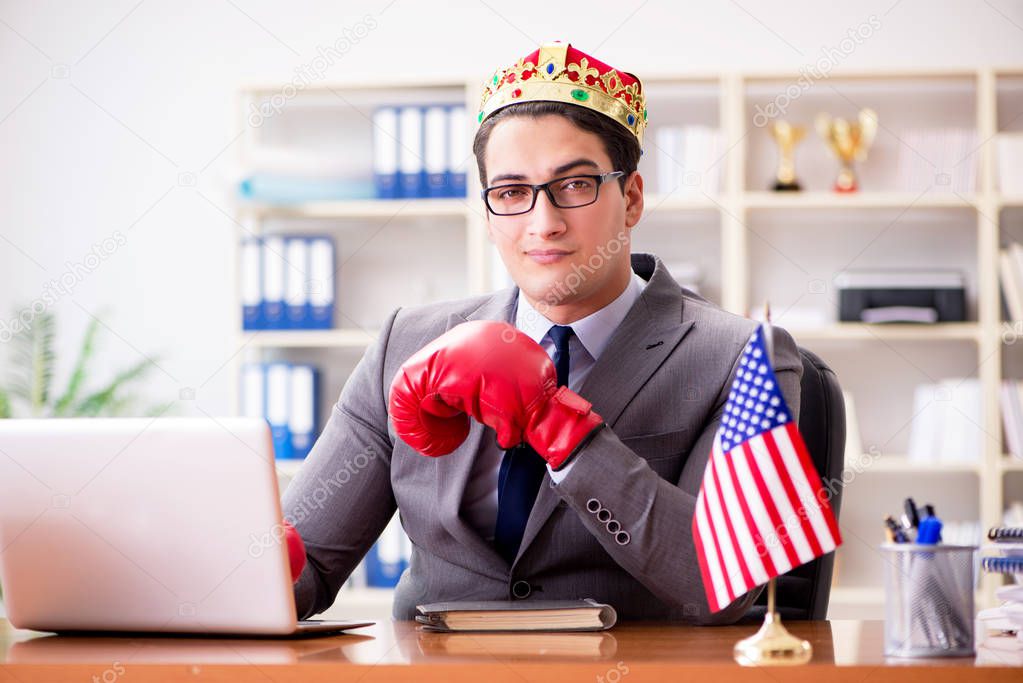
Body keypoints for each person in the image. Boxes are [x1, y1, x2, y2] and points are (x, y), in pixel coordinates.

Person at [281, 41, 802, 624]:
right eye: (511, 193)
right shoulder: (406, 341)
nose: (544, 223)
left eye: (575, 185)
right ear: (486, 213)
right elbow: (303, 570)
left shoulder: (740, 356)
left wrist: (556, 422)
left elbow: (720, 589)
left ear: (630, 198)